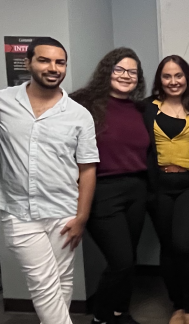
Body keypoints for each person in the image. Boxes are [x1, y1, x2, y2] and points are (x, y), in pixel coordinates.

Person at [0, 37, 98, 324]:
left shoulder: (78, 115)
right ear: (28, 63)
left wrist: (81, 217)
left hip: (64, 211)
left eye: (60, 62)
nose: (53, 67)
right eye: (44, 60)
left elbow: (87, 168)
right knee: (43, 282)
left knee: (62, 279)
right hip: (19, 212)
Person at [70, 47, 148, 324]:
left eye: (132, 72)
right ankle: (102, 317)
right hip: (101, 190)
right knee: (121, 260)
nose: (126, 76)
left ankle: (120, 312)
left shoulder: (141, 109)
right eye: (120, 69)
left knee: (129, 261)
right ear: (107, 70)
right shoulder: (83, 103)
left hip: (138, 189)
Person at [143, 55, 189, 324]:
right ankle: (177, 306)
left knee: (185, 245)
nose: (173, 81)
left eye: (178, 75)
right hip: (158, 186)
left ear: (187, 78)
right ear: (160, 80)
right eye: (167, 76)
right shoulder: (147, 108)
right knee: (168, 248)